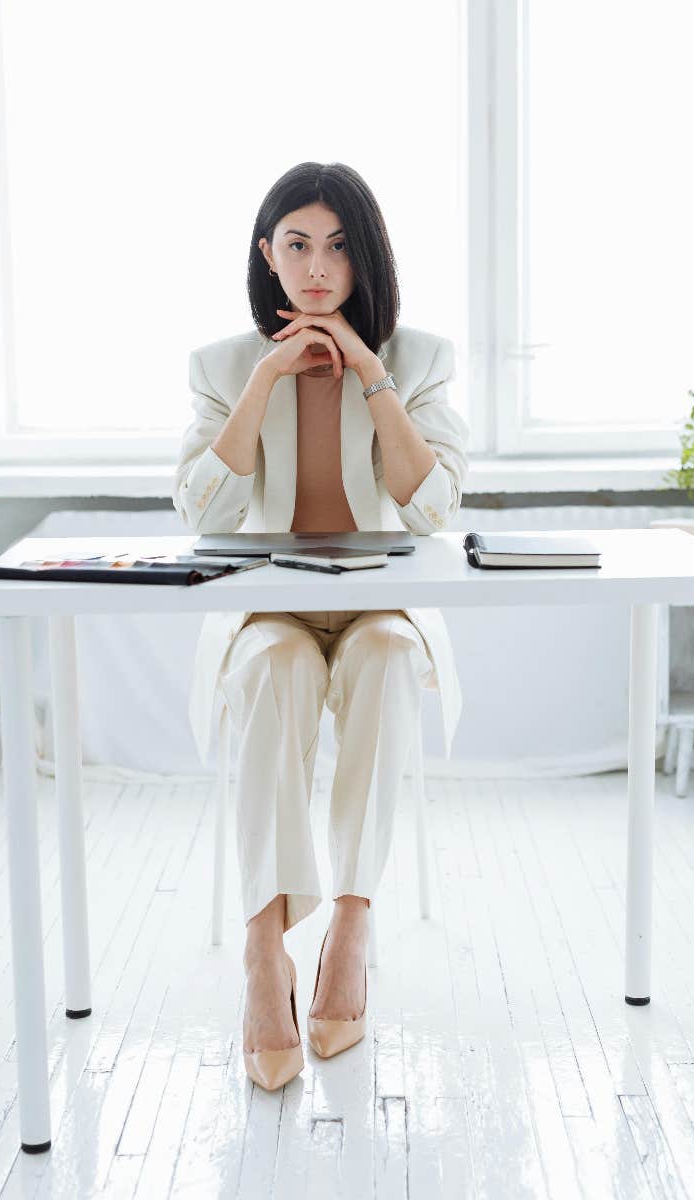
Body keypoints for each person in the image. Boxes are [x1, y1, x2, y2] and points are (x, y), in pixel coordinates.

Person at [172, 161, 469, 1091]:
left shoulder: (417, 359)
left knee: (384, 654)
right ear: (267, 253)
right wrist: (266, 377)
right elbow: (201, 513)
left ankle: (350, 923)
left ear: (364, 254)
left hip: (377, 604)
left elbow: (434, 510)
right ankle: (265, 951)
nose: (316, 266)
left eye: (338, 246)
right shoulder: (222, 367)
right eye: (296, 244)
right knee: (274, 670)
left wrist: (372, 372)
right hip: (271, 607)